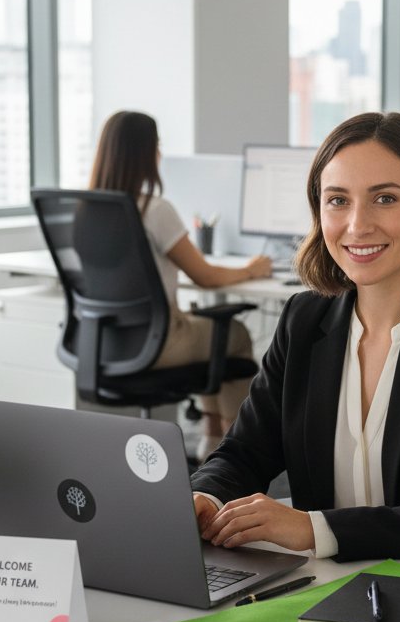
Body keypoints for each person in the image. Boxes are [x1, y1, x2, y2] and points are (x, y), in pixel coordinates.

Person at [191, 111, 400, 562]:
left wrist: (315, 529)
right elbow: (244, 452)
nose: (357, 225)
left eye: (384, 198)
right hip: (330, 583)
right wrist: (204, 497)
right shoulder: (303, 321)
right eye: (337, 200)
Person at [89, 111, 272, 457]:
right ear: (144, 152)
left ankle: (211, 437)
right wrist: (251, 269)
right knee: (235, 335)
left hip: (105, 341)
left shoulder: (86, 209)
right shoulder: (154, 210)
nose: (160, 153)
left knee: (207, 329)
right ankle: (234, 448)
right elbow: (206, 276)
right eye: (156, 145)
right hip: (158, 343)